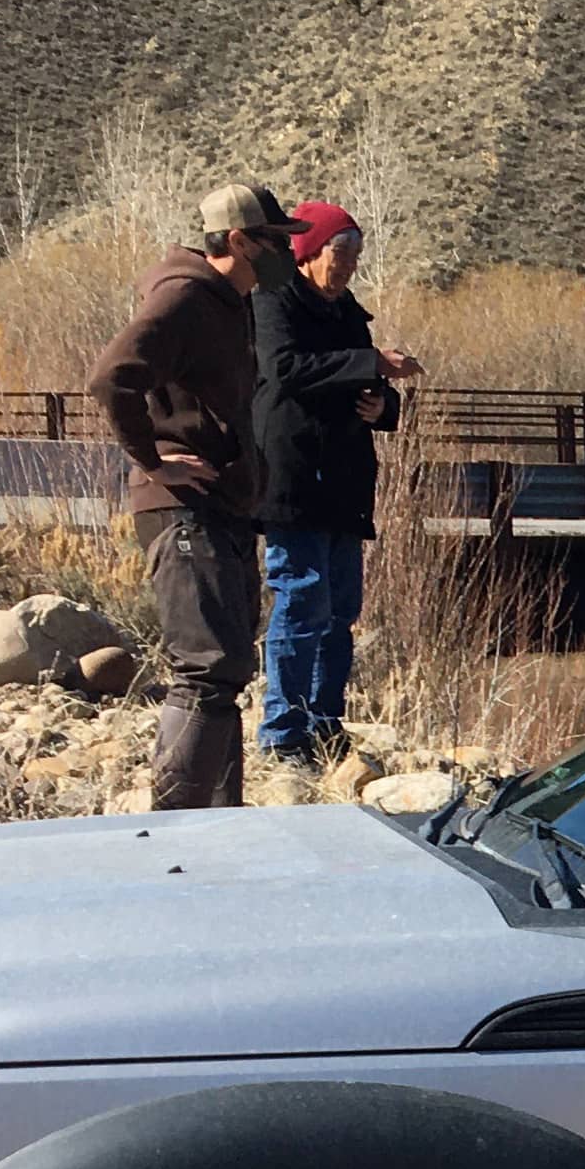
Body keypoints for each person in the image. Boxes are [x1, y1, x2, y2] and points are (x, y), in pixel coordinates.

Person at [92, 183, 293, 809]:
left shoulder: (227, 304)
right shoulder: (184, 297)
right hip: (184, 511)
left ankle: (220, 822)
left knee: (225, 669)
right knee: (206, 669)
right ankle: (176, 828)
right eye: (274, 242)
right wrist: (152, 461)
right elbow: (111, 379)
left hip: (222, 508)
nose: (284, 253)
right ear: (237, 240)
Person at [248, 198, 424, 768]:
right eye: (338, 252)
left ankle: (325, 723)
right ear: (308, 252)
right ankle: (283, 731)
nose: (347, 265)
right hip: (294, 476)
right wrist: (370, 362)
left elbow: (361, 384)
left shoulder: (348, 311)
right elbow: (287, 369)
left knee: (340, 610)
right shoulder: (273, 302)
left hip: (345, 479)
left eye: (354, 254)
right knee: (301, 599)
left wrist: (383, 404)